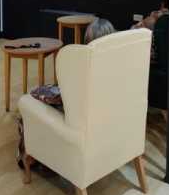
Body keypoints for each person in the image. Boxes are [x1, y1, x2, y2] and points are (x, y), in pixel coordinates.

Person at [17, 18, 116, 169]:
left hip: (75, 117)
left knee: (29, 106)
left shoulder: (82, 66)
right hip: (100, 118)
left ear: (88, 40)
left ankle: (32, 157)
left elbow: (69, 97)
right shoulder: (116, 67)